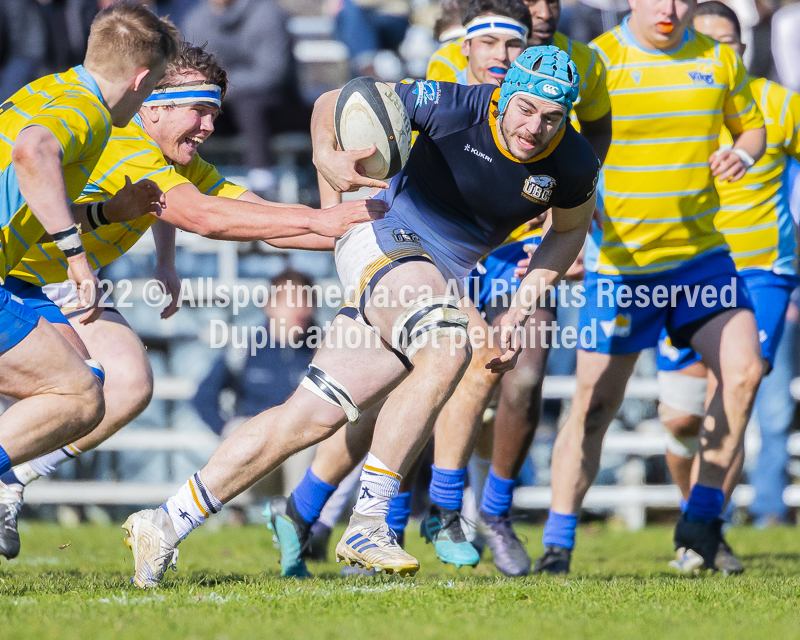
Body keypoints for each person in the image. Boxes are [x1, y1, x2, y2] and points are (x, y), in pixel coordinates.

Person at [122, 45, 600, 588]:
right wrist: (327, 154)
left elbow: (567, 231)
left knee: (310, 418)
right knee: (449, 344)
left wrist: (517, 312)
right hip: (378, 231)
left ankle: (163, 522)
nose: (535, 127)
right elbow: (336, 98)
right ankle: (370, 521)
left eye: (552, 117)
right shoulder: (454, 105)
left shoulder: (574, 161)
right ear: (504, 95)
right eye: (526, 109)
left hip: (437, 270)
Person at [0, 42, 386, 561]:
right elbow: (202, 215)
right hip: (26, 272)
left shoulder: (168, 154)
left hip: (58, 279)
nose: (208, 126)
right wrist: (323, 219)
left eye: (215, 114)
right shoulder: (121, 143)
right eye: (199, 110)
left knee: (122, 385)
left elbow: (260, 218)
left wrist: (383, 222)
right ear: (154, 105)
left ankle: (13, 476)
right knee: (81, 390)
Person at [533, 0, 767, 576]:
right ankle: (558, 545)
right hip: (622, 268)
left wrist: (740, 151)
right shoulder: (596, 61)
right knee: (593, 409)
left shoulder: (718, 58)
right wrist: (566, 221)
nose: (667, 8)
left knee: (744, 371)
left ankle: (702, 520)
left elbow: (754, 126)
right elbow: (549, 134)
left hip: (700, 261)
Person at [0, 0, 179, 550]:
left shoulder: (46, 90)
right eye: (152, 92)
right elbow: (33, 153)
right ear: (141, 78)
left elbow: (30, 185)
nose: (148, 103)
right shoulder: (90, 111)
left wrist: (106, 213)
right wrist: (78, 259)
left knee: (79, 371)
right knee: (79, 395)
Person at [654, 1, 800, 571]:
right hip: (686, 270)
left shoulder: (777, 104)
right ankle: (699, 515)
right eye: (708, 44)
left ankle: (705, 530)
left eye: (730, 45)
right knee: (682, 419)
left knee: (733, 390)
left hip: (763, 269)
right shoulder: (672, 104)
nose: (721, 55)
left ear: (742, 49)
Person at [182, 0, 296, 192]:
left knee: (250, 102)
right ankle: (181, 177)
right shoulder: (197, 19)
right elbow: (193, 73)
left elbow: (273, 73)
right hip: (220, 106)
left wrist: (222, 87)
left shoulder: (267, 14)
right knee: (191, 104)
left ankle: (261, 177)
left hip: (272, 106)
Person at [193, 269, 317, 437]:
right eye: (292, 300)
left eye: (307, 301)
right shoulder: (244, 349)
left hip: (304, 440)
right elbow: (204, 396)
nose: (301, 309)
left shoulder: (323, 352)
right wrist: (227, 428)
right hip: (257, 439)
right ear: (270, 305)